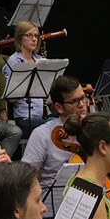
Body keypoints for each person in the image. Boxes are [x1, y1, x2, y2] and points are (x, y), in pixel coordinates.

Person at [22, 75, 93, 206]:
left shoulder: (94, 131)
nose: (82, 105)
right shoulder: (42, 134)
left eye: (83, 98)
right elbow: (26, 177)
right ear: (59, 107)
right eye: (74, 101)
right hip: (52, 207)